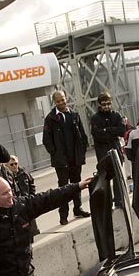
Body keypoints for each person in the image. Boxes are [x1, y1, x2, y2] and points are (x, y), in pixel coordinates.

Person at [41, 90, 91, 225]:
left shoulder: (74, 115)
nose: (61, 103)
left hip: (75, 158)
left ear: (66, 98)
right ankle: (63, 215)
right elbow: (46, 139)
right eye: (58, 101)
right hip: (61, 161)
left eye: (63, 99)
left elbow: (82, 135)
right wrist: (55, 154)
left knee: (77, 184)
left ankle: (78, 208)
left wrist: (82, 151)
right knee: (63, 188)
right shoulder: (50, 119)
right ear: (54, 102)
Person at [3, 155, 40, 236]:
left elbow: (31, 184)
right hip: (16, 203)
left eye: (16, 163)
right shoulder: (6, 177)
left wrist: (32, 196)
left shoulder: (24, 174)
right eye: (11, 164)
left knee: (31, 219)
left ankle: (34, 232)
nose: (14, 166)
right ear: (7, 166)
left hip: (26, 199)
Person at [89, 92, 127, 166]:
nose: (106, 106)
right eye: (104, 104)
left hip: (116, 151)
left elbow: (122, 131)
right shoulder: (95, 119)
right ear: (99, 105)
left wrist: (107, 129)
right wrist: (114, 133)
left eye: (108, 104)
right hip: (103, 154)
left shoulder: (116, 115)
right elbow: (98, 135)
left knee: (119, 176)